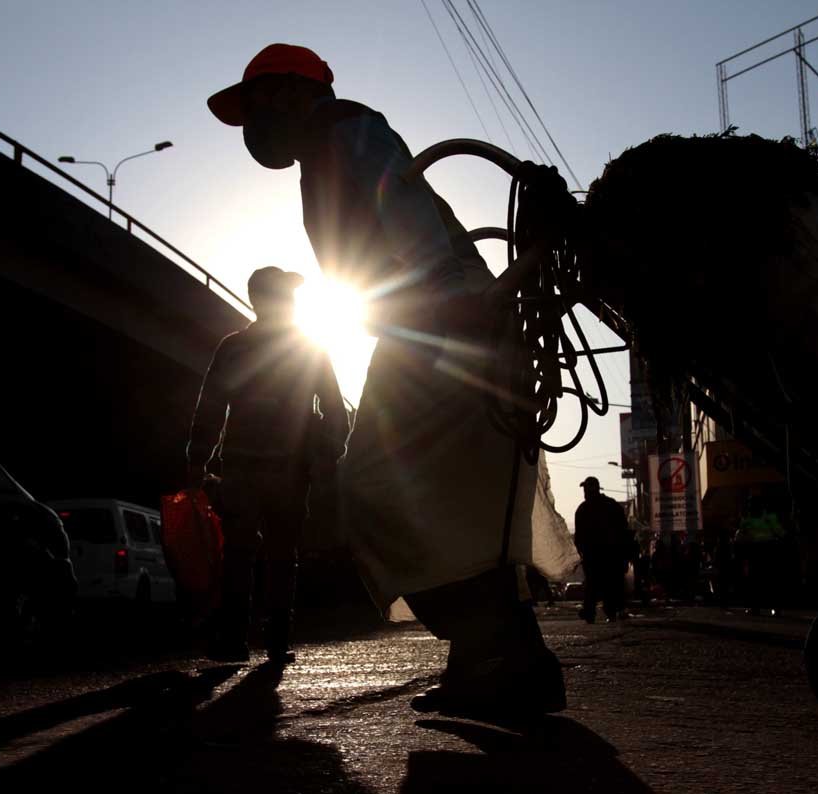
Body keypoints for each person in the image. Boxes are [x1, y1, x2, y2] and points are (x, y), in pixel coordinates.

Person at [206, 44, 578, 713]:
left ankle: (494, 655)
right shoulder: (323, 152)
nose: (249, 128)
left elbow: (402, 215)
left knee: (377, 489)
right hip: (431, 318)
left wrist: (445, 307)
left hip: (440, 316)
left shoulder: (345, 129)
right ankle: (503, 663)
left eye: (255, 105)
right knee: (450, 502)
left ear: (292, 92)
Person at [187, 266, 349, 665]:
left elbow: (210, 406)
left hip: (242, 469)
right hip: (290, 472)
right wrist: (327, 453)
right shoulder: (309, 347)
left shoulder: (234, 347)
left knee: (240, 554)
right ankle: (276, 641)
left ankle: (233, 641)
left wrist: (197, 460)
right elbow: (334, 409)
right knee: (281, 556)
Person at [573, 477, 629, 623]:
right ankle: (603, 611)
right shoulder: (611, 506)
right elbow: (624, 531)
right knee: (606, 582)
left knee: (595, 583)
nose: (584, 493)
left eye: (586, 489)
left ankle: (593, 611)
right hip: (608, 553)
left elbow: (578, 537)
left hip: (598, 554)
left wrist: (580, 552)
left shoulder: (584, 509)